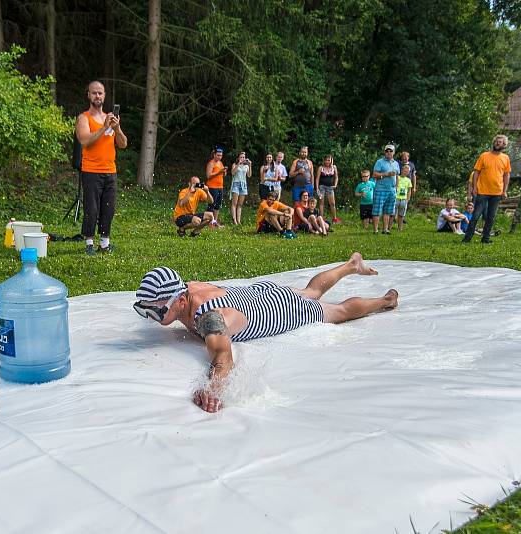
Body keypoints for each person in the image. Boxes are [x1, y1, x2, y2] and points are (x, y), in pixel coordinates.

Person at [132, 253, 399, 412]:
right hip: (258, 291)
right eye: (145, 311)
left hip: (281, 308)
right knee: (312, 291)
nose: (152, 317)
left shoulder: (208, 317)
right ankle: (351, 265)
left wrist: (211, 389)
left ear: (180, 301)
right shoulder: (190, 287)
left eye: (156, 311)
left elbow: (223, 356)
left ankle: (386, 301)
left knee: (338, 312)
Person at [76, 81, 128, 256]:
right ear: (88, 95)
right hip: (91, 171)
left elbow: (123, 144)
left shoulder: (110, 118)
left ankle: (104, 244)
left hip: (110, 171)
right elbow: (85, 140)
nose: (97, 96)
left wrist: (117, 128)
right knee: (92, 208)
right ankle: (89, 243)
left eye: (100, 93)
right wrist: (104, 128)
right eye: (94, 93)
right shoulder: (83, 118)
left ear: (105, 95)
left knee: (108, 208)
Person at [463, 134, 511, 244]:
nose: (497, 143)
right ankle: (467, 238)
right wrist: (474, 188)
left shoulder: (506, 158)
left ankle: (485, 239)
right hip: (482, 191)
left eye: (500, 142)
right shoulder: (484, 155)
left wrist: (504, 191)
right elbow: (476, 172)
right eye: (496, 141)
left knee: (490, 217)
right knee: (475, 216)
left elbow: (506, 175)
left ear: (504, 145)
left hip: (497, 192)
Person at [372, 144, 400, 234]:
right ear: (384, 152)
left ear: (394, 152)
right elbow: (374, 175)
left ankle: (385, 229)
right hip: (380, 189)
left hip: (392, 190)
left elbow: (397, 176)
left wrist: (396, 186)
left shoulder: (396, 163)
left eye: (391, 151)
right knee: (377, 210)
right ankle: (376, 230)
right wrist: (386, 174)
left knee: (388, 210)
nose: (389, 152)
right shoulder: (380, 162)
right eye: (387, 151)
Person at [205, 147, 227, 227]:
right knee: (211, 204)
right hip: (212, 187)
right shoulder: (211, 163)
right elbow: (208, 175)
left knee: (218, 205)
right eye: (218, 155)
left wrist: (224, 172)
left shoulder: (220, 163)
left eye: (221, 155)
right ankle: (208, 222)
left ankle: (215, 222)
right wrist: (219, 172)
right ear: (214, 155)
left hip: (220, 186)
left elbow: (223, 175)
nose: (219, 157)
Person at [315, 154, 340, 223]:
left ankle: (334, 218)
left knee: (332, 203)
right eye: (326, 160)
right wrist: (317, 188)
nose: (327, 162)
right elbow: (317, 179)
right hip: (321, 187)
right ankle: (321, 218)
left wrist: (335, 184)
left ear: (331, 160)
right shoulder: (321, 168)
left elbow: (336, 177)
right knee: (321, 203)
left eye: (329, 160)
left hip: (330, 187)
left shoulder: (334, 167)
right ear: (324, 160)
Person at [229, 152, 251, 225]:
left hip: (243, 185)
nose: (242, 159)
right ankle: (234, 220)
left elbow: (249, 175)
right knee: (234, 203)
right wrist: (238, 163)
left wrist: (250, 165)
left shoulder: (246, 166)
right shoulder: (235, 165)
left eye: (243, 157)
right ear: (238, 158)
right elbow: (232, 173)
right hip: (236, 184)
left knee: (240, 204)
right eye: (241, 157)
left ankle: (239, 220)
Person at [394, 164, 414, 231]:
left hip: (404, 199)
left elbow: (409, 191)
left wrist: (408, 199)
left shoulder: (408, 180)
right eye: (404, 171)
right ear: (401, 170)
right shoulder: (397, 178)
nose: (405, 173)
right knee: (392, 213)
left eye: (407, 172)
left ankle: (400, 228)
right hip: (396, 197)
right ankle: (388, 227)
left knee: (401, 214)